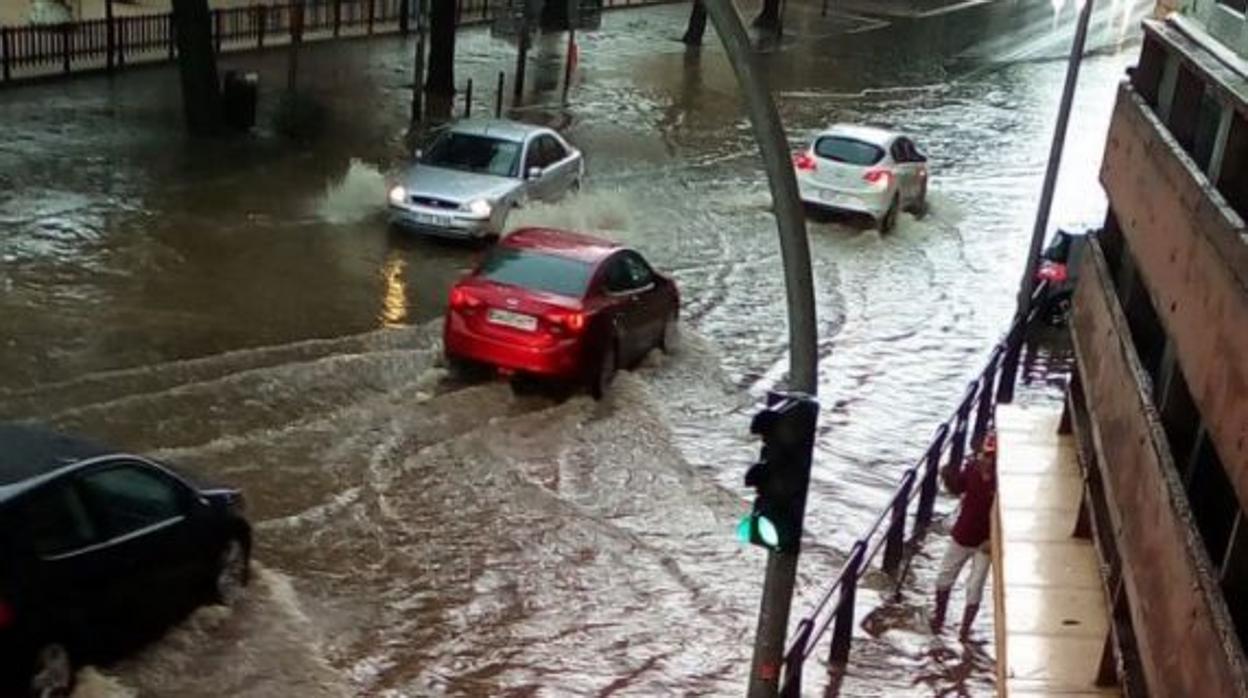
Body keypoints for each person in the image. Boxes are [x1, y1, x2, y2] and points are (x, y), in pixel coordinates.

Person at [931, 431, 997, 639]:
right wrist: (947, 474)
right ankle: (939, 618)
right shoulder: (971, 470)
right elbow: (956, 487)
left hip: (985, 542)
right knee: (944, 578)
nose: (987, 460)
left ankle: (964, 630)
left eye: (991, 457)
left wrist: (993, 539)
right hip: (963, 535)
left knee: (975, 587)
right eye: (985, 455)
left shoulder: (1000, 482)